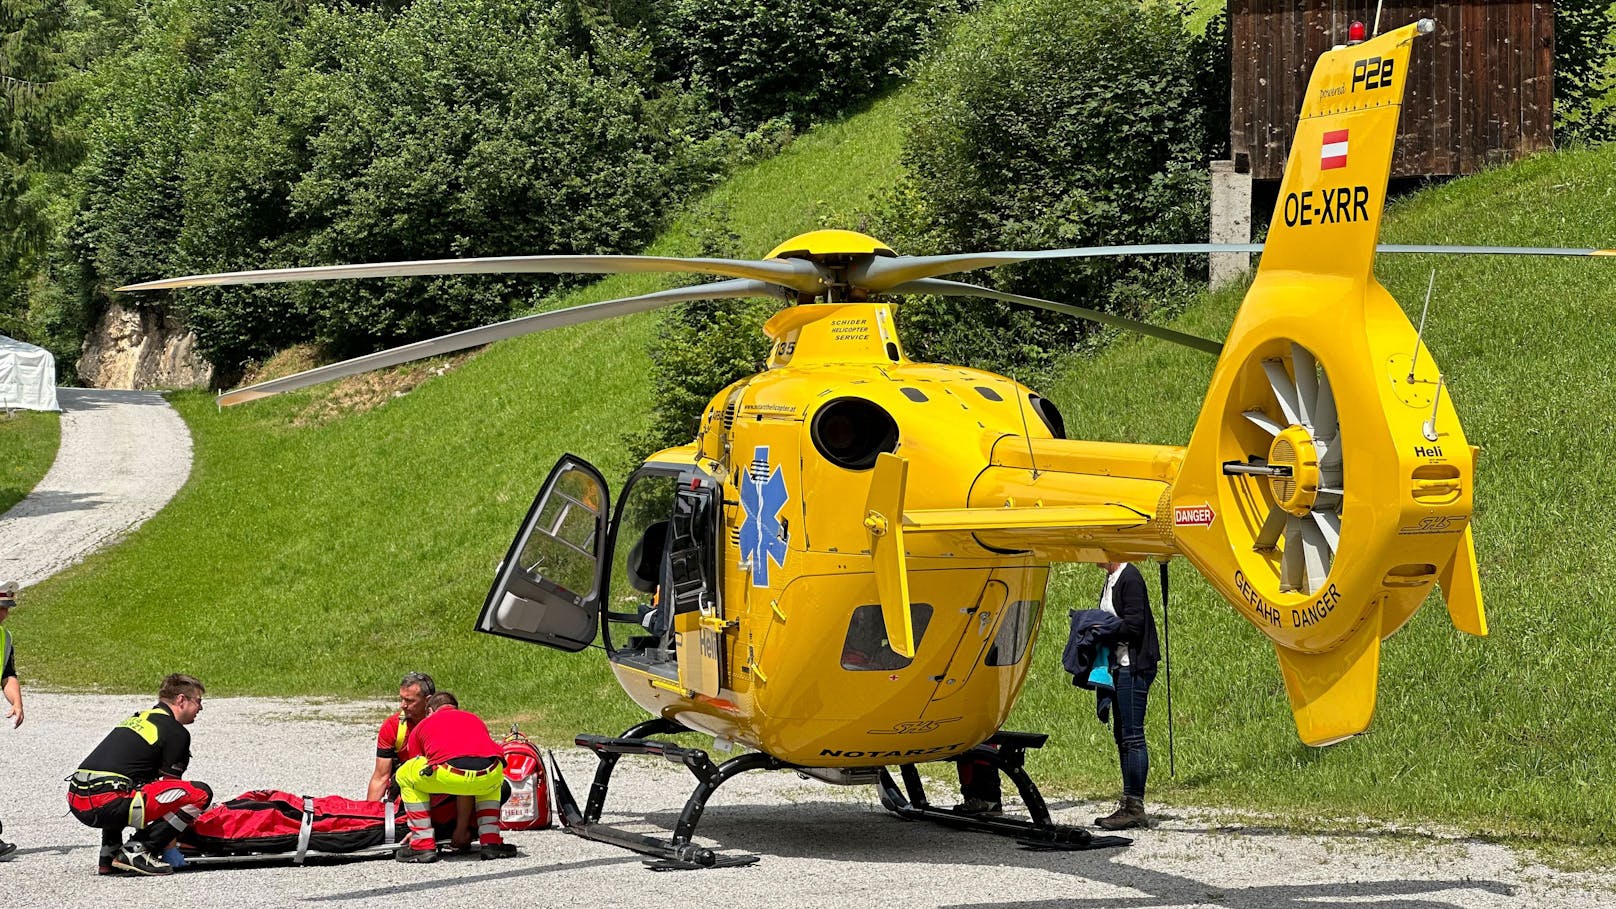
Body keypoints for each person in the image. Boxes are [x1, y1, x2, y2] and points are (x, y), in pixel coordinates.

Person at [67, 674, 213, 876]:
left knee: (130, 784)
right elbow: (171, 792)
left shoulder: (138, 718)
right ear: (181, 700)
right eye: (198, 701)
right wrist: (168, 846)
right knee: (200, 793)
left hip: (78, 801)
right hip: (106, 802)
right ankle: (139, 850)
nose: (201, 708)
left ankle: (109, 854)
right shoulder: (176, 732)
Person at [393, 692, 517, 863]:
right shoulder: (474, 719)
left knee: (406, 774)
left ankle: (421, 844)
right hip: (492, 772)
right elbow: (473, 763)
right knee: (488, 785)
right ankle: (491, 843)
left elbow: (418, 762)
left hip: (449, 773)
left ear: (429, 711)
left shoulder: (424, 724)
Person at [368, 671, 476, 849]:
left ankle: (454, 830)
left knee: (500, 788)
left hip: (449, 791)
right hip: (413, 796)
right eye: (402, 699)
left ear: (428, 701)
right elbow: (380, 776)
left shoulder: (448, 724)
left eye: (410, 701)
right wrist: (370, 818)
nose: (403, 705)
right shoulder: (393, 727)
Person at [1093, 560, 1160, 830]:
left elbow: (1134, 625)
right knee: (1121, 733)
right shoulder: (1111, 578)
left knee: (1132, 735)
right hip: (1118, 666)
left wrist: (1101, 627)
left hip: (1134, 666)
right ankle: (1128, 801)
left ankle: (1135, 804)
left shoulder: (1130, 577)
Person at [0, 583, 23, 859]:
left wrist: (16, 702)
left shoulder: (3, 638)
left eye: (6, 610)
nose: (4, 614)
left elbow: (7, 674)